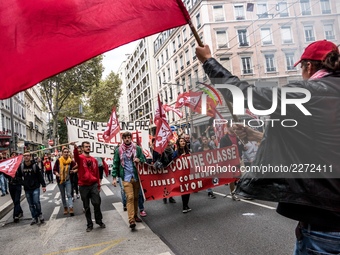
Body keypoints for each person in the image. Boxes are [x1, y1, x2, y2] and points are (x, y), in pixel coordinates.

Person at [196, 40, 340, 254]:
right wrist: (255, 134)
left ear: (309, 67)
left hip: (325, 224)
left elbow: (246, 94)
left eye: (301, 68)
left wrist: (208, 61)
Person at [111, 131, 145, 230]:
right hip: (125, 177)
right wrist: (114, 178)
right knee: (129, 197)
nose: (127, 139)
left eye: (128, 137)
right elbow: (115, 163)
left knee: (135, 197)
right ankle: (131, 220)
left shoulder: (137, 149)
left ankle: (135, 215)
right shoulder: (118, 150)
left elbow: (144, 159)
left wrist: (140, 160)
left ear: (131, 138)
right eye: (125, 137)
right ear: (123, 139)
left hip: (135, 176)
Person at [72, 141, 105, 232]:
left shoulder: (94, 160)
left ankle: (99, 221)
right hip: (83, 186)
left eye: (89, 146)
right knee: (86, 206)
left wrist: (98, 185)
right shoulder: (80, 158)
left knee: (97, 203)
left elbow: (97, 173)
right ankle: (89, 224)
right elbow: (75, 157)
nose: (88, 148)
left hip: (93, 184)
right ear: (82, 148)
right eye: (86, 146)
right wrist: (75, 148)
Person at [16, 152, 46, 225]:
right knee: (31, 204)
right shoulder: (21, 166)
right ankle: (34, 217)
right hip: (27, 188)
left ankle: (40, 214)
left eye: (28, 156)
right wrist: (23, 183)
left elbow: (40, 176)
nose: (26, 157)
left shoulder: (35, 166)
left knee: (36, 202)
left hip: (35, 187)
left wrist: (43, 185)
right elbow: (18, 177)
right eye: (25, 156)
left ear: (30, 157)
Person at [53, 147, 77, 216]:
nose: (66, 153)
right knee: (63, 195)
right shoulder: (58, 161)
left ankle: (71, 207)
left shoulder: (71, 161)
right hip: (60, 181)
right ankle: (65, 208)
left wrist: (74, 171)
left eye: (67, 152)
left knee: (69, 194)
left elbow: (77, 167)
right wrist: (57, 174)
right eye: (65, 152)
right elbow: (54, 170)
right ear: (62, 153)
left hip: (68, 180)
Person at [173, 137, 191, 213]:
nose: (183, 142)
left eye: (183, 141)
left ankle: (187, 204)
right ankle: (184, 206)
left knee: (189, 189)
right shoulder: (176, 152)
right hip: (181, 174)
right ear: (178, 143)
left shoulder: (188, 151)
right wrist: (180, 157)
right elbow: (173, 161)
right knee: (184, 189)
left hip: (188, 172)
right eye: (181, 141)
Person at [7, 152, 24, 223]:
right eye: (12, 155)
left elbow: (22, 174)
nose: (13, 156)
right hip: (11, 185)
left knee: (17, 200)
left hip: (17, 185)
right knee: (14, 201)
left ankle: (15, 215)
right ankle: (20, 211)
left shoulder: (19, 165)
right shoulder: (8, 165)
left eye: (15, 155)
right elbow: (5, 175)